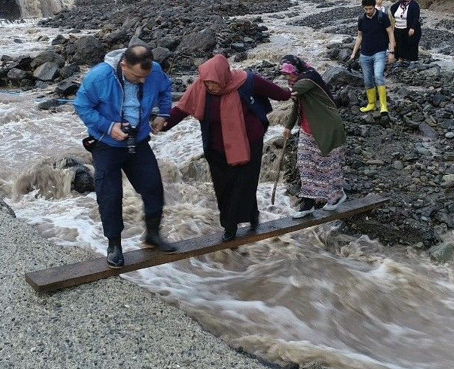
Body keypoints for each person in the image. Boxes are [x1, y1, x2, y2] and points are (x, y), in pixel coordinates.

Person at [164, 54, 291, 242]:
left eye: (214, 83)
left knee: (245, 183)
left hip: (249, 143)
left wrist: (293, 92)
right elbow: (181, 109)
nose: (210, 87)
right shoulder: (201, 86)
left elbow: (277, 93)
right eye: (207, 83)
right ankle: (233, 223)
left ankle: (244, 220)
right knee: (223, 187)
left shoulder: (247, 81)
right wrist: (162, 125)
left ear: (224, 76)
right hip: (216, 148)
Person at [74, 45, 177, 268]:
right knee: (110, 195)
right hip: (106, 143)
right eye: (137, 76)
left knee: (153, 187)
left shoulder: (155, 70)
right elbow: (82, 106)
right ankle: (114, 245)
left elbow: (165, 90)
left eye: (145, 77)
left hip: (138, 140)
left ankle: (152, 235)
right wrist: (109, 126)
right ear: (123, 65)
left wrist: (164, 113)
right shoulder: (99, 77)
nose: (142, 81)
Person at [279, 55, 347, 218]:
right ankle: (308, 203)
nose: (287, 77)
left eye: (289, 73)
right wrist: (288, 126)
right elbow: (297, 105)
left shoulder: (309, 78)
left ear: (296, 69)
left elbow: (289, 94)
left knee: (329, 165)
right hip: (307, 129)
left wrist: (261, 88)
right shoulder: (296, 83)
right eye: (285, 75)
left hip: (326, 127)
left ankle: (337, 196)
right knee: (305, 165)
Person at [349, 0, 396, 115]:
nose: (368, 11)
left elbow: (390, 33)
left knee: (378, 76)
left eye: (370, 9)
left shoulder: (382, 17)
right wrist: (353, 53)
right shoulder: (361, 19)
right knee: (368, 80)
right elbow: (360, 36)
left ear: (374, 6)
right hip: (365, 54)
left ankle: (383, 105)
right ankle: (371, 104)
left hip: (379, 52)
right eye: (366, 9)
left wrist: (391, 51)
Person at [389, 0, 422, 66]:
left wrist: (412, 28)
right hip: (398, 26)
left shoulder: (414, 5)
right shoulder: (399, 3)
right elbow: (392, 8)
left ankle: (413, 60)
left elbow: (416, 17)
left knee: (411, 44)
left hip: (409, 27)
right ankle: (400, 59)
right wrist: (396, 17)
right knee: (399, 43)